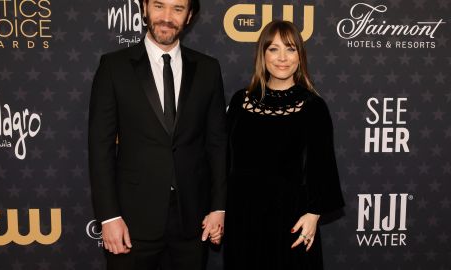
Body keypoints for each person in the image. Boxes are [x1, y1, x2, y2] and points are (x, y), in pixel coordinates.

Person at [88, 0, 226, 269]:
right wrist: (108, 217)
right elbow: (99, 147)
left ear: (190, 16)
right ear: (144, 8)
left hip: (192, 221)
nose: (166, 17)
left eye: (178, 8)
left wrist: (218, 207)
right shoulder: (114, 67)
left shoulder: (208, 69)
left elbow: (217, 143)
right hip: (131, 223)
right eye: (159, 5)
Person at [223, 20, 345, 270]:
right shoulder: (240, 101)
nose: (282, 58)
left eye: (290, 49)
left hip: (290, 220)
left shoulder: (313, 106)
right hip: (243, 218)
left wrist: (313, 215)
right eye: (274, 49)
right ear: (262, 54)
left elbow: (322, 166)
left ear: (300, 55)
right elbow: (223, 159)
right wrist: (218, 209)